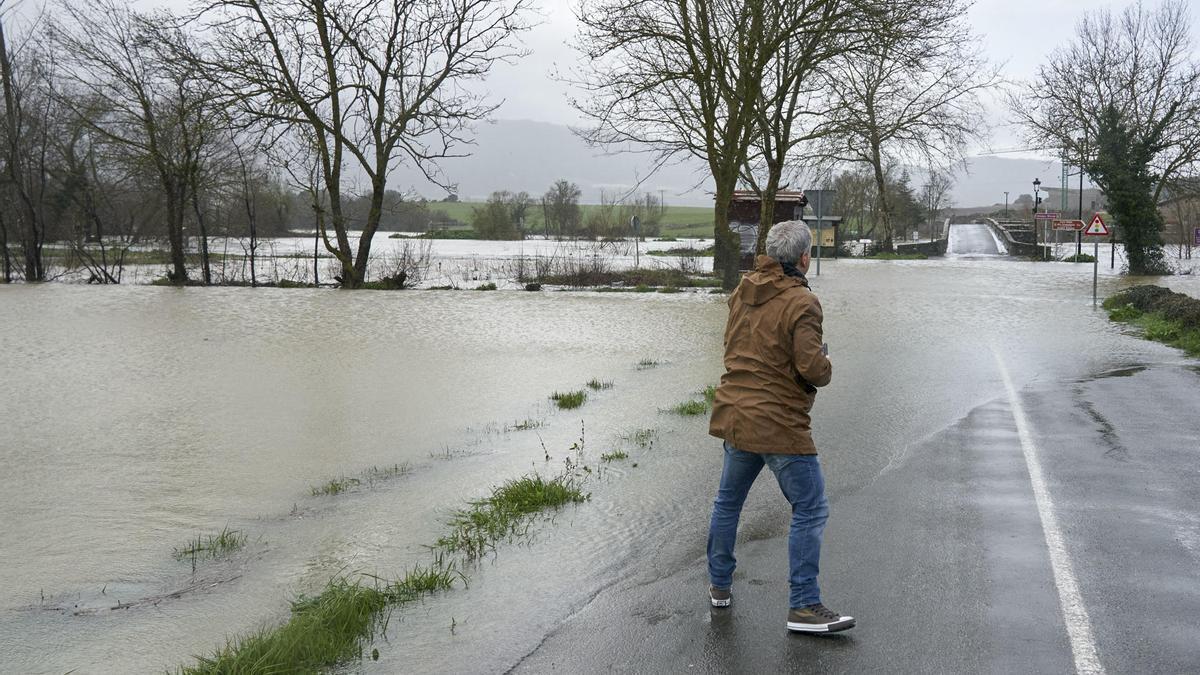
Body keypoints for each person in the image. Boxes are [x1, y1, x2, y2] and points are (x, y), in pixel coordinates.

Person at [706, 219, 853, 633]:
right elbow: (811, 367)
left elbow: (731, 346)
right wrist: (827, 363)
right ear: (805, 258)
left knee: (727, 503)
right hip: (778, 422)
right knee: (810, 506)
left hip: (735, 412)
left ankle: (719, 587)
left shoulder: (742, 290)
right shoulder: (803, 302)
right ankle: (804, 605)